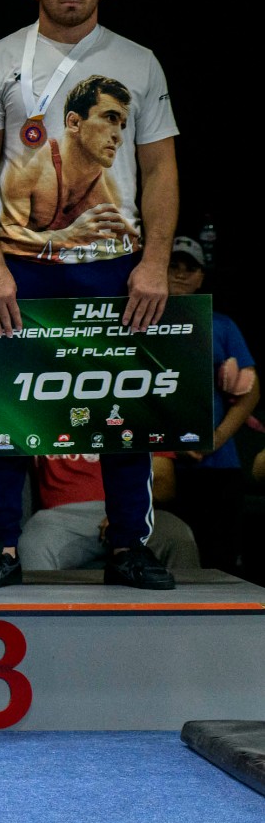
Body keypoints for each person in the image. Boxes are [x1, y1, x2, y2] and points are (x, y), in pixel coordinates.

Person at [0, 0, 179, 591]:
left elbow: (159, 169)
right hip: (22, 265)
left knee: (123, 409)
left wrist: (155, 262)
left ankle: (129, 544)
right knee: (10, 408)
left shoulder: (139, 62)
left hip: (114, 265)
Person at [160, 235, 258, 572]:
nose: (181, 273)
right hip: (162, 468)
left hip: (217, 466)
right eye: (173, 265)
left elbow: (252, 391)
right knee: (169, 565)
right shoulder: (141, 324)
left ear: (201, 277)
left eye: (190, 268)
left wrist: (214, 439)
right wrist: (171, 443)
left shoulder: (222, 326)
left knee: (220, 565)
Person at [0, 75, 131, 257]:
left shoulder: (109, 192)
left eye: (122, 126)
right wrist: (66, 236)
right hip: (23, 269)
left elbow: (123, 245)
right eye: (110, 118)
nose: (119, 137)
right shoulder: (30, 167)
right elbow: (5, 237)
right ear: (74, 122)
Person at [18, 453, 199, 571]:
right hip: (62, 518)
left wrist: (124, 511)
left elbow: (164, 484)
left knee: (178, 535)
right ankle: (39, 619)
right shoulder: (44, 412)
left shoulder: (138, 414)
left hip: (135, 509)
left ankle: (188, 616)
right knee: (32, 543)